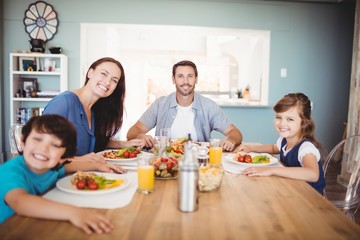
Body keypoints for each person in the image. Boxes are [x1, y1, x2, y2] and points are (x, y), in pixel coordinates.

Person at [0, 114, 125, 234]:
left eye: (55, 145)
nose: (44, 149)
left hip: (35, 224)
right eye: (37, 139)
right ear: (23, 142)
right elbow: (20, 202)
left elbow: (68, 166)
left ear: (64, 156)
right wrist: (73, 212)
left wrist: (99, 166)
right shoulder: (10, 171)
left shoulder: (53, 167)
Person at [43, 57, 144, 163]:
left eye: (114, 80)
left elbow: (96, 141)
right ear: (90, 73)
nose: (107, 82)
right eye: (104, 74)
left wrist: (124, 144)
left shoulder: (94, 111)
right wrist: (82, 161)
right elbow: (42, 151)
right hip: (57, 178)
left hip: (83, 176)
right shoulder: (63, 103)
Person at [127, 60, 242, 152]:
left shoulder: (209, 106)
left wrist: (231, 140)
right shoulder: (160, 104)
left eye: (190, 76)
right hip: (165, 160)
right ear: (173, 79)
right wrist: (141, 135)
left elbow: (234, 132)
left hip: (199, 162)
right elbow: (132, 132)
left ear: (196, 79)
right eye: (180, 76)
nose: (185, 81)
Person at [238, 93, 325, 194]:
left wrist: (272, 170)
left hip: (310, 198)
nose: (282, 123)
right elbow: (273, 148)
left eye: (290, 119)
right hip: (292, 190)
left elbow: (313, 174)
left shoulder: (306, 148)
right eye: (278, 117)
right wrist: (251, 148)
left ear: (304, 123)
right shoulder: (284, 140)